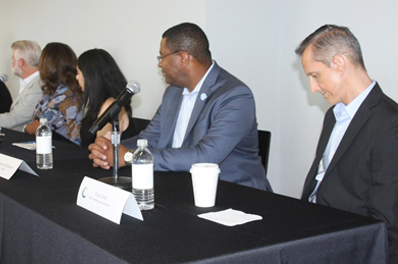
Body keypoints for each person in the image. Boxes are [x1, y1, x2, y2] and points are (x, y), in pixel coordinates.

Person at [88, 23, 270, 190]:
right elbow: (151, 138)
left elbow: (205, 157)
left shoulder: (234, 96)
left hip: (234, 193)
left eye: (162, 56)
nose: (159, 63)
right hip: (181, 186)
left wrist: (130, 157)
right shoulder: (173, 92)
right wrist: (110, 150)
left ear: (183, 58)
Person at [295, 24, 398, 264]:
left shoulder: (390, 123)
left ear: (339, 64)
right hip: (317, 237)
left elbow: (386, 222)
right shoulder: (334, 115)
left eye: (315, 75)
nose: (313, 87)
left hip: (350, 258)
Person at [24, 43, 83, 145]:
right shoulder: (53, 90)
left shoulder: (68, 95)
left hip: (66, 152)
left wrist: (25, 127)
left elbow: (37, 127)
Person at [77, 48, 136, 148]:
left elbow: (103, 150)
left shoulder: (110, 105)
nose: (76, 78)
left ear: (90, 78)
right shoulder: (101, 104)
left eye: (78, 73)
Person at [0, 41, 43, 131]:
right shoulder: (30, 83)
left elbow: (15, 118)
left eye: (13, 59)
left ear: (21, 62)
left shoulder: (38, 87)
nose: (12, 63)